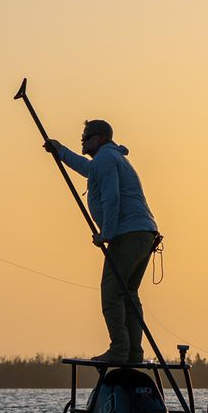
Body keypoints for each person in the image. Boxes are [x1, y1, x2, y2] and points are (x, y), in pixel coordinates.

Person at [44, 119, 160, 365]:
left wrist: (107, 233)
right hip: (143, 233)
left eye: (87, 136)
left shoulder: (107, 159)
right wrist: (61, 151)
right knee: (128, 294)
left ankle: (120, 351)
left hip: (127, 234)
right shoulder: (107, 159)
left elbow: (111, 197)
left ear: (102, 138)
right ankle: (133, 354)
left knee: (111, 293)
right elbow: (88, 169)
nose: (83, 140)